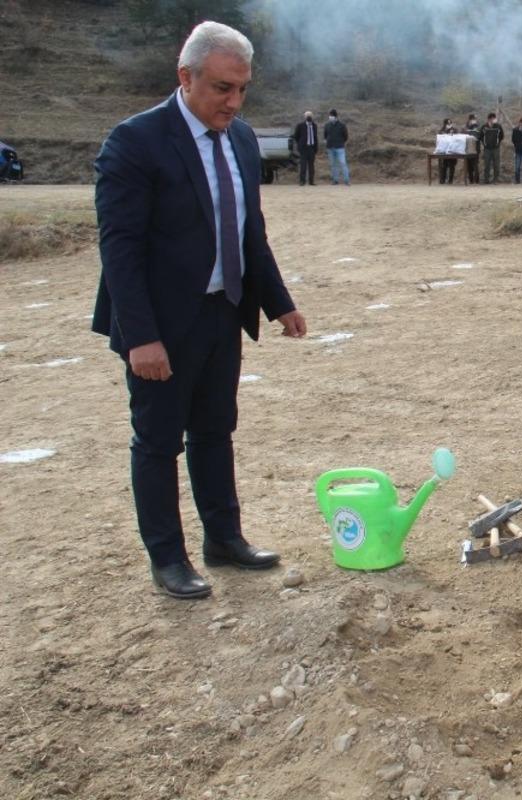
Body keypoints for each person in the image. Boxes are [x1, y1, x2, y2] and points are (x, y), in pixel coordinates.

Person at [93, 21, 307, 600]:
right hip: (160, 324)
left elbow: (248, 233)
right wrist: (141, 337)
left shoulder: (238, 139)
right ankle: (167, 557)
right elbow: (120, 250)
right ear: (185, 77)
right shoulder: (135, 141)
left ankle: (224, 539)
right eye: (221, 88)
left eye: (242, 89)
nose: (233, 102)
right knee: (159, 440)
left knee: (215, 431)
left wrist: (279, 302)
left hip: (222, 311)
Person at [324, 108, 350, 185]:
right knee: (333, 164)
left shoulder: (342, 125)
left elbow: (346, 136)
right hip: (330, 147)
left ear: (336, 116)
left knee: (343, 163)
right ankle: (335, 180)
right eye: (329, 116)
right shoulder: (327, 125)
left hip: (340, 148)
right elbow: (325, 135)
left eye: (331, 116)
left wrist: (341, 142)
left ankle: (346, 180)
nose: (330, 117)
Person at [293, 110, 318, 186]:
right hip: (303, 148)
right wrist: (300, 144)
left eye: (310, 115)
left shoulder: (314, 125)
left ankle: (311, 181)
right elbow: (296, 136)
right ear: (305, 117)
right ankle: (302, 181)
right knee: (303, 165)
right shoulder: (300, 125)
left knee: (311, 166)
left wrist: (316, 147)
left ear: (312, 117)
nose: (309, 117)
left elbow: (315, 136)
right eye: (307, 116)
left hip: (312, 148)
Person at [480, 112, 505, 184]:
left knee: (496, 164)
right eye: (492, 118)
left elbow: (502, 136)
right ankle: (486, 180)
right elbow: (480, 136)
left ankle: (495, 180)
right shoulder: (484, 127)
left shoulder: (498, 126)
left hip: (496, 148)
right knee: (486, 164)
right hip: (487, 149)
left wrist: (497, 143)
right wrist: (484, 144)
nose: (494, 120)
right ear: (489, 119)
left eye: (494, 118)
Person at [464, 113, 480, 184]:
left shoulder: (477, 127)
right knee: (469, 166)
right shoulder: (466, 128)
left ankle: (476, 180)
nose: (474, 120)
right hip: (467, 149)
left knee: (475, 165)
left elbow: (478, 137)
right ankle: (471, 180)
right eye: (473, 119)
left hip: (475, 149)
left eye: (475, 119)